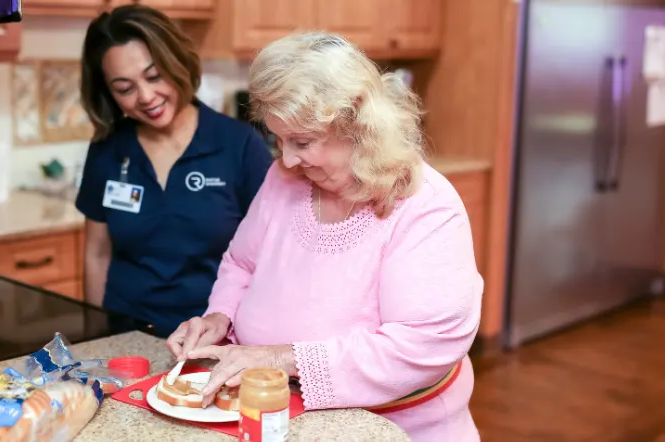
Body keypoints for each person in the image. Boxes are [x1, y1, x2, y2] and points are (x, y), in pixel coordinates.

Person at [166, 32, 483, 441]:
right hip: (275, 414)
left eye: (302, 141)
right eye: (277, 139)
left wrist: (282, 358)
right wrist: (219, 318)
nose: (287, 158)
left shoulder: (425, 205)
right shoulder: (285, 178)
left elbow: (421, 345)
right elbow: (242, 263)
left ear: (359, 126)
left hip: (390, 430)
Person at [75, 5, 274, 338]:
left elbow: (270, 256)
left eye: (154, 77)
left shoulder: (239, 145)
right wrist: (97, 336)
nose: (146, 97)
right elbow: (97, 253)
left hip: (214, 338)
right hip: (127, 337)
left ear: (177, 63)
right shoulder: (108, 150)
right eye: (125, 88)